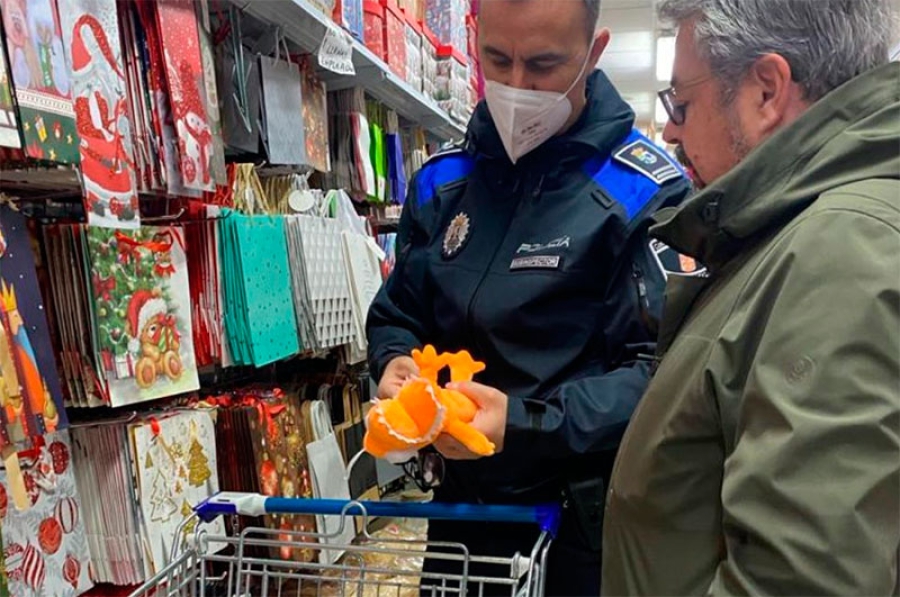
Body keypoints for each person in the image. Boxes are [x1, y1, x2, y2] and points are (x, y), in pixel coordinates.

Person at [366, 0, 691, 594]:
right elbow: (397, 312)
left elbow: (660, 375)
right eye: (498, 59)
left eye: (543, 64)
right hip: (460, 524)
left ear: (593, 54)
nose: (517, 86)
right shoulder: (442, 183)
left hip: (574, 532)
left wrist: (522, 424)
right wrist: (395, 362)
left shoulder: (643, 193)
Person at [602, 0, 900, 594]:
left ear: (767, 91)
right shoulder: (793, 233)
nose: (672, 130)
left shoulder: (839, 252)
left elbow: (803, 580)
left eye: (681, 102)